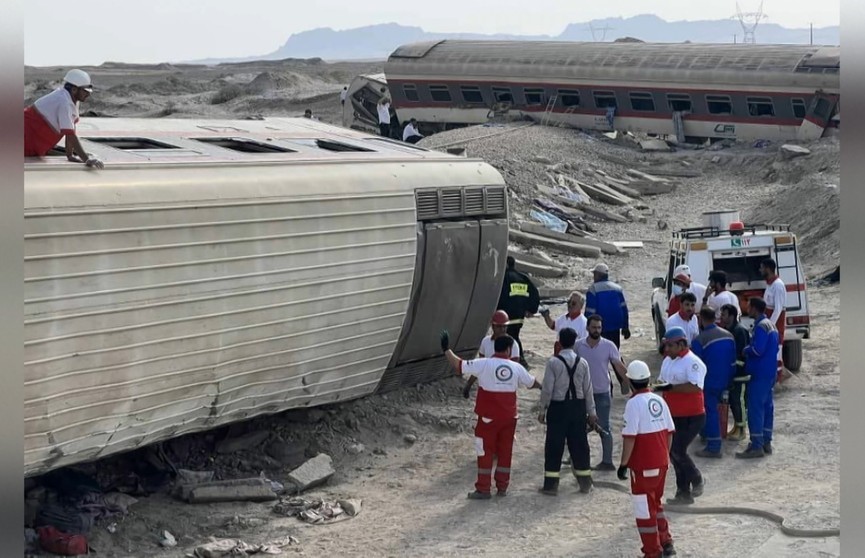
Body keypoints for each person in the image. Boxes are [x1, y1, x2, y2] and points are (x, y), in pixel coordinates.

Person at [441, 331, 541, 498]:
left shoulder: (484, 364)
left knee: (485, 452)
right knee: (505, 452)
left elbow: (459, 365)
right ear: (508, 349)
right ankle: (502, 487)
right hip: (510, 418)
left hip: (488, 418)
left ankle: (483, 488)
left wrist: (446, 349)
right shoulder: (517, 368)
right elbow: (532, 383)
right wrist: (545, 388)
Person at [618, 360, 677, 558]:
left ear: (632, 382)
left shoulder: (633, 404)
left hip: (643, 466)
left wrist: (623, 464)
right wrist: (664, 457)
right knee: (655, 503)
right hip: (661, 463)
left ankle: (653, 552)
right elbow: (669, 432)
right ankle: (666, 542)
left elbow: (630, 438)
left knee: (644, 511)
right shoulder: (659, 400)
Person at [538, 327, 597, 495]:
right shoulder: (582, 362)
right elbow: (588, 390)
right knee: (579, 445)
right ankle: (585, 483)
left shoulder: (553, 362)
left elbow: (547, 389)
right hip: (578, 408)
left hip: (558, 408)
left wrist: (542, 409)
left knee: (554, 446)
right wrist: (592, 412)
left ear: (560, 343)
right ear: (574, 343)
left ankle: (551, 486)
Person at [656, 326, 706, 505]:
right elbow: (662, 381)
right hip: (672, 415)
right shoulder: (668, 360)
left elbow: (695, 387)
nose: (667, 349)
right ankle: (683, 492)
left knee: (678, 450)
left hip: (692, 416)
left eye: (670, 345)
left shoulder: (693, 362)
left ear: (681, 344)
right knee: (673, 452)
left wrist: (670, 388)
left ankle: (697, 478)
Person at [575, 314, 630, 470]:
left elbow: (619, 366)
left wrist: (634, 385)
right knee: (579, 427)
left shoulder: (609, 346)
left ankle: (607, 462)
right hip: (582, 394)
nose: (597, 330)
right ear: (587, 328)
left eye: (599, 327)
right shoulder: (578, 346)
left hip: (602, 393)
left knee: (604, 427)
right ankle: (576, 458)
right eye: (594, 327)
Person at [24, 69, 104, 169]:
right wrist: (86, 159)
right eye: (85, 91)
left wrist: (69, 155)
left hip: (33, 140)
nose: (88, 94)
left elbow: (70, 128)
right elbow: (70, 135)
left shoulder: (72, 99)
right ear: (74, 89)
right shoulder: (64, 102)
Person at [691, 306, 737, 458]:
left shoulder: (700, 339)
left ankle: (714, 447)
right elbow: (732, 361)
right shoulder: (729, 335)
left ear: (701, 319)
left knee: (710, 411)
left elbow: (696, 365)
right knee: (716, 410)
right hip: (726, 380)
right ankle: (707, 434)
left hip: (708, 381)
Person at [736, 297, 779, 459]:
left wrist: (746, 350)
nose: (747, 308)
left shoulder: (761, 327)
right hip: (769, 372)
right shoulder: (771, 325)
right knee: (768, 407)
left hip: (760, 374)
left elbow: (758, 350)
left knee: (755, 409)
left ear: (755, 308)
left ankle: (756, 446)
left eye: (749, 306)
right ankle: (766, 441)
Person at [585, 262, 630, 394]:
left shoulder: (593, 290)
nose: (593, 277)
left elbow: (590, 312)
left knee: (600, 358)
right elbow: (624, 309)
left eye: (594, 274)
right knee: (615, 355)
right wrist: (626, 327)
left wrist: (587, 328)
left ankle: (608, 386)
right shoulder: (617, 288)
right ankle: (624, 381)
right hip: (615, 328)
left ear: (598, 275)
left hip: (598, 330)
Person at [463, 310, 520, 398]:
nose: (502, 329)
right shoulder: (486, 342)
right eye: (499, 326)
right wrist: (469, 384)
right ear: (493, 326)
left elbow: (515, 370)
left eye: (504, 326)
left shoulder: (513, 344)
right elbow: (480, 366)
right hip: (487, 386)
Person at [497, 256, 540, 367]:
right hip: (519, 316)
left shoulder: (504, 278)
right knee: (514, 335)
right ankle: (516, 360)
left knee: (510, 337)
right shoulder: (523, 278)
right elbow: (535, 294)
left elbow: (499, 296)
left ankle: (519, 360)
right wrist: (531, 309)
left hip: (506, 315)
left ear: (506, 264)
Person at [721, 303, 750, 442]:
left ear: (731, 316)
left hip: (741, 374)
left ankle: (742, 429)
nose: (721, 317)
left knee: (739, 401)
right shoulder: (729, 330)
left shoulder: (740, 331)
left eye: (724, 314)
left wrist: (735, 367)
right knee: (733, 401)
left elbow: (742, 354)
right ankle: (737, 427)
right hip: (732, 373)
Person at [760, 259, 788, 383]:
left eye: (761, 268)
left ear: (768, 269)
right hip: (770, 322)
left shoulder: (778, 285)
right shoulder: (769, 284)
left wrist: (769, 325)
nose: (760, 270)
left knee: (777, 351)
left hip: (775, 325)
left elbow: (778, 309)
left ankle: (777, 379)